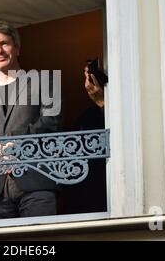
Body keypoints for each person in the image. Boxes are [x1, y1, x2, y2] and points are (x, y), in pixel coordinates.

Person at [0, 20, 63, 220]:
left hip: (37, 182)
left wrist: (15, 142)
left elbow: (52, 122)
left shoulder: (44, 82)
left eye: (4, 43)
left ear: (17, 48)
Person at [62, 61, 107, 214]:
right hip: (84, 194)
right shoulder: (85, 117)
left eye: (90, 75)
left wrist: (102, 102)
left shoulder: (122, 108)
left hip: (106, 190)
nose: (87, 81)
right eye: (86, 75)